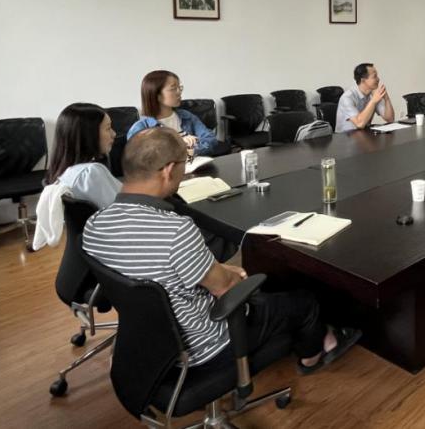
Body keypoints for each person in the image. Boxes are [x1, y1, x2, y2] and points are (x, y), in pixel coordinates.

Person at [83, 127, 361, 372]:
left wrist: (216, 269)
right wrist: (231, 274)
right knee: (304, 301)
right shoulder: (175, 230)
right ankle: (312, 357)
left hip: (148, 341)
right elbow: (225, 289)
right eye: (184, 164)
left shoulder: (95, 225)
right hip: (203, 346)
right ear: (168, 170)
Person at [46, 102, 121, 209]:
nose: (114, 134)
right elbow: (123, 211)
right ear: (89, 134)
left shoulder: (64, 174)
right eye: (108, 128)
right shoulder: (90, 174)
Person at [128, 70, 218, 155]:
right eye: (173, 88)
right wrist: (180, 145)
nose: (179, 92)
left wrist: (190, 151)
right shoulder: (141, 128)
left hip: (193, 165)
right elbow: (140, 158)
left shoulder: (187, 116)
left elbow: (210, 139)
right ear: (156, 94)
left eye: (180, 88)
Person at [336, 63, 395, 132]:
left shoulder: (373, 94)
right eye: (374, 76)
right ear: (363, 80)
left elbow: (390, 119)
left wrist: (386, 99)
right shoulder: (347, 98)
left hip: (364, 134)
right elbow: (359, 124)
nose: (378, 79)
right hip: (345, 136)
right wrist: (373, 101)